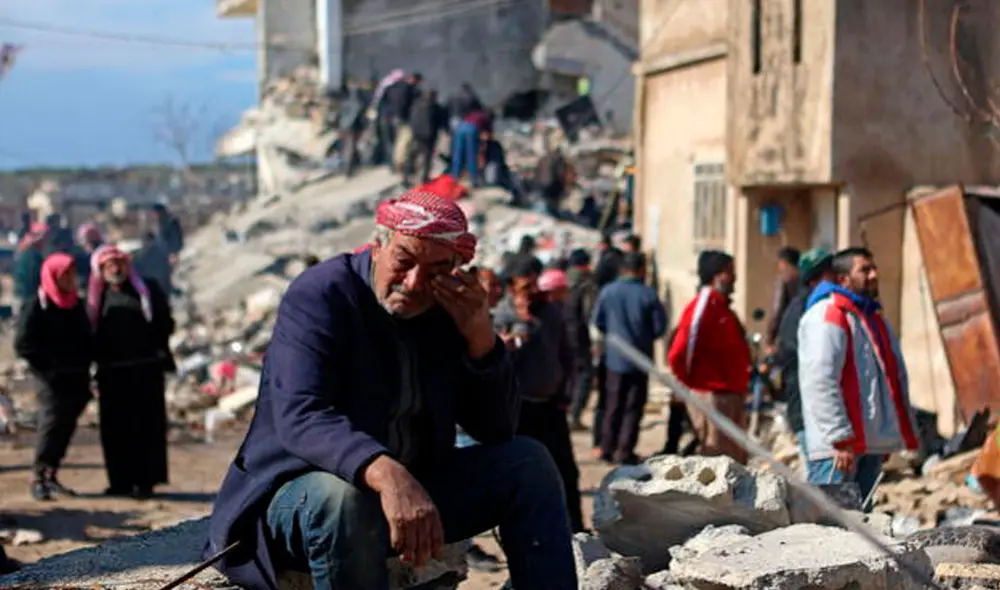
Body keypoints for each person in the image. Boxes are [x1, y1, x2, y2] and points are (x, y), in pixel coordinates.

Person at [205, 189, 576, 590]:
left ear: (455, 270)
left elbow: (497, 429)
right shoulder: (322, 294)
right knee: (343, 500)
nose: (415, 283)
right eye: (404, 261)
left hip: (412, 487)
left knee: (528, 462)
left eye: (435, 271)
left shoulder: (448, 310)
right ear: (378, 246)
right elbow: (301, 413)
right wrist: (386, 474)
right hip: (302, 498)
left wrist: (481, 343)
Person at [799, 248, 918, 501]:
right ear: (843, 279)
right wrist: (839, 438)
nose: (874, 275)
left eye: (873, 268)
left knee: (859, 529)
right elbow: (819, 379)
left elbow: (885, 382)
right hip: (838, 451)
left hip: (867, 447)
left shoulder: (870, 318)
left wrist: (883, 438)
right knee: (826, 530)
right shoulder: (829, 314)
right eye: (864, 270)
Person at [493, 257, 584, 534]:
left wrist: (566, 392)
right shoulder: (501, 317)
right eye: (525, 285)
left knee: (566, 471)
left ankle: (575, 529)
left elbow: (565, 354)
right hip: (520, 410)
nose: (533, 290)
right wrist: (522, 323)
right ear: (511, 287)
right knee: (526, 475)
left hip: (551, 406)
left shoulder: (552, 312)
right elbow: (501, 362)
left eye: (535, 282)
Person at [89, 245, 175, 499]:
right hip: (112, 375)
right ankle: (120, 482)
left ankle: (145, 482)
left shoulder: (146, 291)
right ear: (101, 270)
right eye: (109, 265)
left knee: (146, 428)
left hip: (145, 372)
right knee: (115, 429)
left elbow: (165, 323)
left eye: (119, 263)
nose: (115, 269)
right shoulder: (96, 298)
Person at [15, 252, 93, 501]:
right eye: (66, 275)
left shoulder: (75, 304)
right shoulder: (37, 305)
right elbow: (24, 344)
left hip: (76, 379)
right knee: (51, 425)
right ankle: (37, 476)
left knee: (66, 426)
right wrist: (50, 369)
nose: (71, 279)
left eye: (72, 274)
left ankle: (52, 473)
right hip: (50, 380)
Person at [667, 250, 751, 464]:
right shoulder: (703, 307)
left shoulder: (723, 308)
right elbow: (679, 351)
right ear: (718, 275)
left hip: (732, 395)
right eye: (731, 272)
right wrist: (688, 385)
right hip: (713, 397)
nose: (735, 279)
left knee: (735, 462)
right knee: (716, 465)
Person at [590, 253, 667, 464]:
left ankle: (606, 447)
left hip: (614, 359)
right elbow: (659, 328)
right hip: (639, 360)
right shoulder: (648, 295)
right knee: (633, 406)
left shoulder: (608, 291)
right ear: (642, 270)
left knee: (612, 403)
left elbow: (599, 322)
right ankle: (624, 451)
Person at [773, 249, 835, 460]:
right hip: (811, 416)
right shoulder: (806, 310)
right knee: (823, 488)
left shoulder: (823, 306)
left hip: (824, 418)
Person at [564, 249, 598, 432]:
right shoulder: (586, 282)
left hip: (563, 333)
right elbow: (589, 313)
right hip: (579, 335)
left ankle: (566, 410)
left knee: (568, 373)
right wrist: (595, 341)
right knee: (585, 375)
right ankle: (574, 416)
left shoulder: (563, 278)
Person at [405, 88, 448, 185]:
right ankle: (424, 178)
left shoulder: (416, 105)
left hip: (416, 134)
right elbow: (440, 121)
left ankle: (407, 176)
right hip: (429, 136)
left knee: (412, 155)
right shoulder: (435, 106)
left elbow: (411, 118)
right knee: (427, 158)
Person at [385, 72, 423, 173]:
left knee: (397, 142)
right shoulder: (410, 90)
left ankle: (395, 165)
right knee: (405, 142)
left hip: (392, 118)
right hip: (405, 119)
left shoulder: (392, 87)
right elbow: (406, 105)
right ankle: (400, 165)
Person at [767, 246, 801, 349]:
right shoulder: (804, 278)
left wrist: (770, 339)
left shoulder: (784, 280)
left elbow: (777, 310)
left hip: (786, 333)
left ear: (783, 262)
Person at [13, 223, 48, 313]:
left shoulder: (21, 252)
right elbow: (34, 278)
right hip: (28, 298)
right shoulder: (33, 256)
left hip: (20, 295)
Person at [450, 109, 491, 185]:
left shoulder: (473, 113)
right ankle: (474, 179)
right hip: (471, 129)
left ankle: (454, 177)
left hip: (460, 128)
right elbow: (488, 134)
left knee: (458, 154)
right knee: (471, 155)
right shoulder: (486, 118)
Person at [132, 231, 173, 297]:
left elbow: (167, 267)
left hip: (158, 284)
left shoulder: (159, 252)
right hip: (152, 285)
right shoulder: (141, 255)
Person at [74, 223, 104, 289]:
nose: (90, 240)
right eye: (86, 238)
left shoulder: (102, 253)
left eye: (92, 237)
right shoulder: (78, 255)